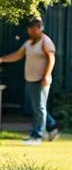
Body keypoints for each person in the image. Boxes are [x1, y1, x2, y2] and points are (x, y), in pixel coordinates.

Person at [0, 16, 59, 144]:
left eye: (33, 28)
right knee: (38, 107)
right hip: (30, 79)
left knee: (39, 108)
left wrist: (47, 75)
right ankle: (52, 126)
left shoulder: (45, 42)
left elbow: (51, 59)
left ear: (39, 28)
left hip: (41, 79)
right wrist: (3, 59)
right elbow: (17, 55)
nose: (30, 31)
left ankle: (37, 136)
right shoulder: (29, 43)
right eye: (29, 28)